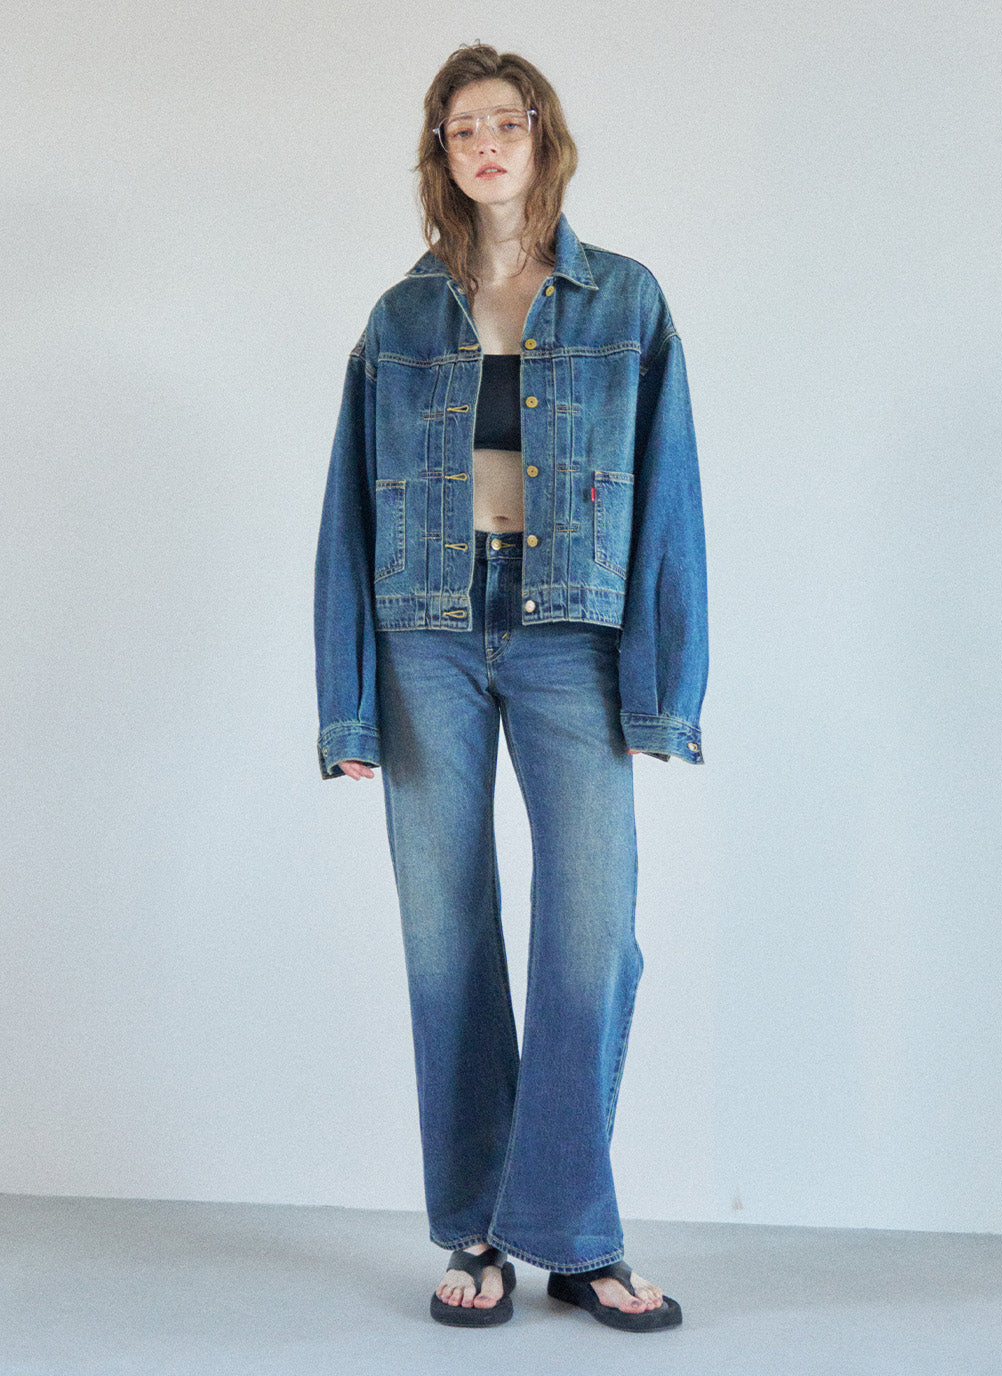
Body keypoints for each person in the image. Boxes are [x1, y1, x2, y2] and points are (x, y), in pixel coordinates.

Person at [314, 42, 707, 1332]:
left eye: (507, 121)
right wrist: (347, 699)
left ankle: (575, 1233)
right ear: (442, 153)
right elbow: (346, 516)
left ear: (544, 137)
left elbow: (670, 495)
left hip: (568, 638)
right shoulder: (399, 319)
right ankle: (480, 1230)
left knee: (591, 936)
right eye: (462, 128)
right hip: (426, 636)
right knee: (448, 938)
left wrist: (661, 681)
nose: (486, 145)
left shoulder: (624, 302)